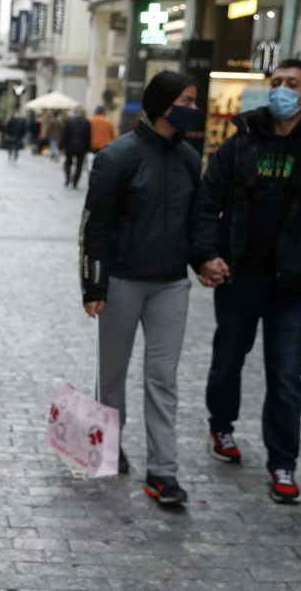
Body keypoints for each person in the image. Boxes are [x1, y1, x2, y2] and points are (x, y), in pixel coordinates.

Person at [191, 59, 301, 505]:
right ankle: (220, 426)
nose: (281, 89)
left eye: (292, 84)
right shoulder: (240, 142)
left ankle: (283, 462)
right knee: (227, 361)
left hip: (292, 284)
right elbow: (207, 203)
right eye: (276, 82)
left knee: (286, 375)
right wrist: (207, 255)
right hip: (239, 276)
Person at [80, 71, 202, 506]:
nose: (194, 106)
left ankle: (163, 472)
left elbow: (198, 219)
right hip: (122, 282)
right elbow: (96, 227)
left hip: (171, 284)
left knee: (162, 379)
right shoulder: (118, 157)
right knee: (112, 376)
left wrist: (206, 259)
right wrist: (94, 285)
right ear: (162, 104)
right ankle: (109, 446)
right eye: (186, 99)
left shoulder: (190, 157)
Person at [62, 106, 91, 188]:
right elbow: (88, 137)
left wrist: (62, 146)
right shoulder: (86, 122)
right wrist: (88, 148)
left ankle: (68, 178)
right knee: (79, 165)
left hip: (70, 147)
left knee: (68, 162)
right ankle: (75, 182)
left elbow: (65, 135)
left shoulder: (69, 121)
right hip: (81, 148)